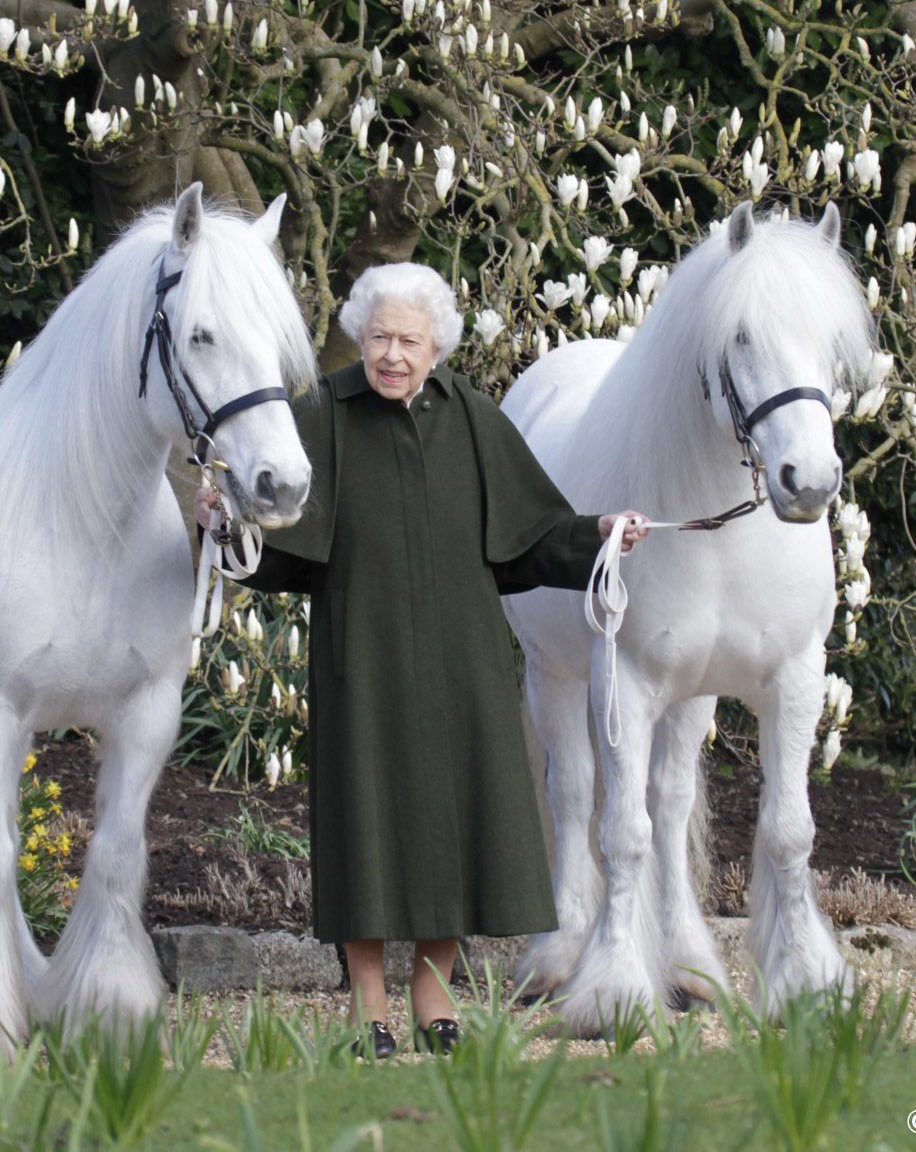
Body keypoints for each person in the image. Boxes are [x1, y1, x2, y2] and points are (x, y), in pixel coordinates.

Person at [197, 262, 648, 1058]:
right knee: (364, 823)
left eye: (408, 340)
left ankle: (433, 987)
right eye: (378, 338)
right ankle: (367, 995)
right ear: (358, 340)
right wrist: (223, 524)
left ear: (437, 345)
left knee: (457, 822)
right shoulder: (322, 417)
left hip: (462, 661)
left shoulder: (473, 419)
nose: (392, 355)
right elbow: (279, 552)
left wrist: (604, 531)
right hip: (358, 657)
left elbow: (533, 538)